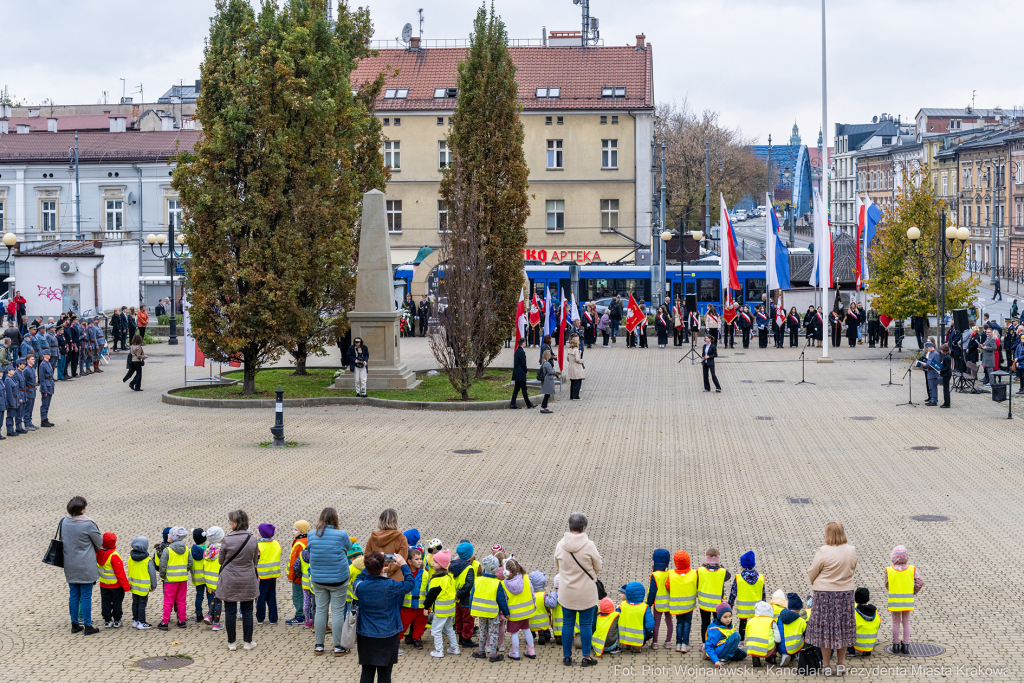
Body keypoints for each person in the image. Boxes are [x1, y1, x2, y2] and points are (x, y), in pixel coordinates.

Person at [806, 521, 858, 677]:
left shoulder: (823, 551)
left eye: (825, 532)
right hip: (845, 594)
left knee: (825, 631)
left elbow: (813, 571)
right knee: (842, 629)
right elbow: (852, 567)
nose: (823, 535)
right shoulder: (851, 550)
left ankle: (827, 666)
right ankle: (841, 665)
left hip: (824, 595)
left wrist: (817, 582)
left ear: (829, 534)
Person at [354, 550, 413, 683]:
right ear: (382, 569)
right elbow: (410, 583)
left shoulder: (360, 586)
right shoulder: (390, 586)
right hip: (388, 633)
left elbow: (359, 577)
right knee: (385, 674)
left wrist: (371, 566)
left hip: (366, 634)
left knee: (367, 672)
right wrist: (404, 565)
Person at [553, 511, 602, 667]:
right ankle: (586, 657)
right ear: (584, 527)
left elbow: (558, 565)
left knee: (567, 624)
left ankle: (567, 657)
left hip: (567, 591)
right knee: (586, 624)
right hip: (586, 592)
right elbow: (598, 566)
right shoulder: (589, 545)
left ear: (570, 526)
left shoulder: (560, 545)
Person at [308, 507, 353, 656]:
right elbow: (349, 547)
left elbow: (310, 551)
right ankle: (339, 646)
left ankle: (319, 646)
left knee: (320, 610)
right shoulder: (341, 535)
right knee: (337, 611)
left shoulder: (311, 535)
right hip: (338, 579)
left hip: (318, 579)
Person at [218, 510, 261, 651]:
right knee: (247, 611)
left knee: (230, 611)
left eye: (230, 521)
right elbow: (254, 560)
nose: (229, 523)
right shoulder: (253, 539)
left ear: (235, 523)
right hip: (247, 578)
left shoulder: (227, 539)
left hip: (230, 579)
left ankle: (232, 643)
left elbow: (220, 560)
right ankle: (248, 642)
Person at [62, 496, 103, 635]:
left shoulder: (64, 522)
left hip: (69, 564)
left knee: (73, 595)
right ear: (81, 509)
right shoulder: (88, 524)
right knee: (86, 596)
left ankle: (74, 624)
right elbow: (99, 542)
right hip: (86, 565)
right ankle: (88, 626)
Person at [470, 554, 510, 662]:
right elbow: (501, 600)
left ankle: (481, 651)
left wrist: (471, 610)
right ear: (496, 569)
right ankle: (493, 654)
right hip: (492, 613)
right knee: (493, 633)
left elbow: (472, 596)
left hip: (480, 611)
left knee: (482, 631)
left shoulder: (477, 581)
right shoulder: (497, 583)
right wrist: (506, 613)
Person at [884, 545, 923, 655]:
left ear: (893, 558)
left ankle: (895, 645)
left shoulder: (889, 570)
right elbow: (920, 582)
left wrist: (892, 590)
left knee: (895, 622)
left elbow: (887, 584)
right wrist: (913, 591)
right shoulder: (912, 569)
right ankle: (905, 645)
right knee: (906, 622)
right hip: (907, 601)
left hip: (895, 602)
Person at [423, 549, 459, 657]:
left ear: (442, 565)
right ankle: (455, 648)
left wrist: (426, 607)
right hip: (450, 609)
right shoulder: (449, 577)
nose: (433, 563)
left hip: (441, 610)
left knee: (436, 630)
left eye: (435, 562)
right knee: (449, 629)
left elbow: (431, 595)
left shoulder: (436, 580)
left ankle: (439, 651)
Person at [157, 526, 193, 630]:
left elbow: (162, 566)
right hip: (182, 579)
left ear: (172, 536)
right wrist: (183, 571)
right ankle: (182, 621)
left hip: (170, 580)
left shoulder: (167, 550)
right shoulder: (186, 549)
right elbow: (190, 563)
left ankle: (165, 622)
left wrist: (163, 577)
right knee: (181, 601)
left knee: (168, 601)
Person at [365, 509, 410, 584]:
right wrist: (388, 569)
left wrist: (380, 570)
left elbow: (367, 557)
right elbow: (402, 559)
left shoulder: (372, 538)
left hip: (376, 577)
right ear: (395, 521)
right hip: (396, 580)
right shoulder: (401, 538)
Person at [728, 551, 765, 640]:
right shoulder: (760, 578)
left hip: (743, 609)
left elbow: (733, 593)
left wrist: (730, 605)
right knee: (755, 625)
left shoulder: (739, 578)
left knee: (742, 624)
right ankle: (754, 640)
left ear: (742, 565)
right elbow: (763, 593)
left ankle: (741, 641)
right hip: (757, 608)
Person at [97, 532, 131, 628]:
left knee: (105, 602)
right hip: (116, 585)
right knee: (117, 602)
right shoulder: (114, 555)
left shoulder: (98, 553)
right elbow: (120, 573)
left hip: (104, 584)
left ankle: (107, 620)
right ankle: (117, 620)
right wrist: (126, 586)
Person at [127, 536, 158, 630]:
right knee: (142, 604)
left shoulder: (130, 558)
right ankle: (142, 622)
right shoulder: (147, 560)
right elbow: (152, 574)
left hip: (134, 585)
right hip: (144, 587)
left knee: (135, 603)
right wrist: (153, 585)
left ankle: (135, 620)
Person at [705, 603, 746, 668]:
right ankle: (725, 658)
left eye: (730, 616)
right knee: (736, 635)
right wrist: (716, 660)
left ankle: (727, 655)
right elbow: (708, 646)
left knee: (743, 655)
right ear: (719, 617)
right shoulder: (715, 629)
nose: (728, 619)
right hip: (718, 652)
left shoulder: (729, 625)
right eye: (725, 617)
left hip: (724, 647)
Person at [286, 520, 311, 625]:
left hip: (298, 576)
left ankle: (299, 616)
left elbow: (294, 563)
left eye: (296, 530)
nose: (293, 531)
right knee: (306, 596)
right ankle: (306, 614)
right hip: (306, 575)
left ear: (302, 531)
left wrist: (291, 576)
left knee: (297, 596)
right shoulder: (307, 541)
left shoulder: (299, 544)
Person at [255, 524, 281, 625]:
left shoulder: (258, 545)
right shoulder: (276, 543)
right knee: (272, 595)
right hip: (274, 573)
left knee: (260, 596)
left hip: (262, 574)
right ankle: (273, 618)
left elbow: (255, 559)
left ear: (261, 533)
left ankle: (260, 618)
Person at [647, 549, 672, 649]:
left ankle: (655, 643)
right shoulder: (670, 573)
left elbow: (652, 591)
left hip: (658, 604)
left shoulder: (655, 575)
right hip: (669, 604)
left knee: (656, 622)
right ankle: (668, 642)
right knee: (669, 621)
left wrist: (648, 603)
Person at [203, 526, 226, 631]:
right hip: (220, 580)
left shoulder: (207, 550)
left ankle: (209, 615)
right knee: (219, 601)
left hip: (209, 581)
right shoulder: (222, 551)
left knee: (215, 598)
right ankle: (216, 623)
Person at [849, 587, 881, 657]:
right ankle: (867, 651)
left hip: (857, 641)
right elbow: (878, 623)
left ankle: (851, 651)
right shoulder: (873, 610)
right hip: (870, 641)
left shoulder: (853, 609)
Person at [190, 529, 210, 624]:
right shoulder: (209, 549)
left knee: (199, 596)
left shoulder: (191, 551)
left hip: (197, 578)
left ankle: (199, 614)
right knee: (210, 596)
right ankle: (211, 614)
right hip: (208, 577)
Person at [509, 337, 534, 409]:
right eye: (525, 343)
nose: (525, 344)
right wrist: (526, 370)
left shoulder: (517, 351)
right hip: (520, 373)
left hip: (517, 373)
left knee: (516, 389)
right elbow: (523, 363)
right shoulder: (521, 352)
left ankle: (513, 403)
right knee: (524, 389)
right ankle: (528, 404)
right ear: (523, 343)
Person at [38, 351, 55, 427]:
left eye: (49, 354)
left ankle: (46, 418)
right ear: (44, 355)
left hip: (50, 384)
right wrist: (44, 390)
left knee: (47, 404)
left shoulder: (48, 363)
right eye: (47, 354)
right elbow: (42, 379)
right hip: (46, 385)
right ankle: (43, 420)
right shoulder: (42, 365)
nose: (49, 355)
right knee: (44, 404)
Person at [538, 349, 558, 414]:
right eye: (549, 355)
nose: (550, 356)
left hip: (547, 380)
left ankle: (545, 407)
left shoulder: (544, 363)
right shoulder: (547, 363)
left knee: (547, 394)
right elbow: (550, 371)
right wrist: (554, 371)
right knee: (547, 395)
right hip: (548, 380)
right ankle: (543, 407)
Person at [566, 335, 585, 401]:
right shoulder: (576, 350)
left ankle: (572, 395)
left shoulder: (569, 349)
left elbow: (568, 359)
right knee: (577, 382)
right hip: (576, 367)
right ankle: (576, 396)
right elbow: (577, 359)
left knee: (572, 382)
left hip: (571, 366)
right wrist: (581, 360)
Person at [939, 343, 953, 408]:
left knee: (946, 389)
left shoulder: (947, 357)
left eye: (941, 349)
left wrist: (941, 371)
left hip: (946, 375)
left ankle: (947, 403)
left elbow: (947, 367)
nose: (941, 351)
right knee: (946, 389)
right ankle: (946, 402)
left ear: (944, 350)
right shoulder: (947, 356)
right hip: (946, 374)